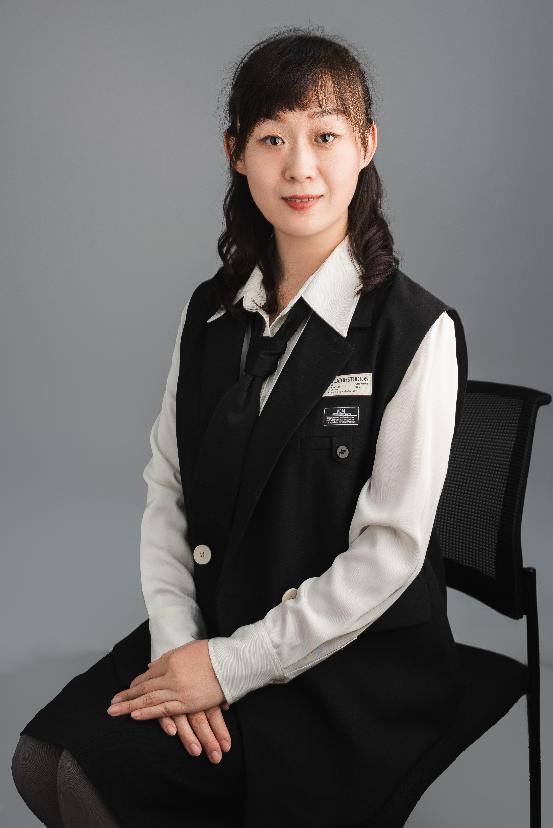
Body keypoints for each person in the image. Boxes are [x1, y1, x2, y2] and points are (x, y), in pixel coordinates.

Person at [12, 25, 468, 828]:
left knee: (92, 782)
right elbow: (168, 487)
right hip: (222, 614)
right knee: (39, 759)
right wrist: (176, 647)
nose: (300, 167)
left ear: (365, 145)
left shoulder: (413, 329)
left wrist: (229, 668)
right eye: (272, 138)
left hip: (349, 662)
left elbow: (391, 554)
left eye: (324, 136)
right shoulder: (212, 312)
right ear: (236, 153)